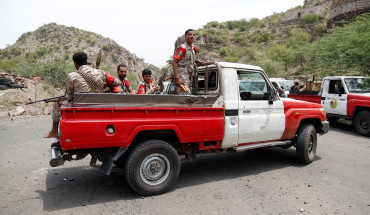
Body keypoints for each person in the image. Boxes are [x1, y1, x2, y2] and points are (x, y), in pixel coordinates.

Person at [44, 52, 122, 138]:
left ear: (75, 63)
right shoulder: (100, 72)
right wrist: (105, 84)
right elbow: (118, 82)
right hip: (98, 105)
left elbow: (69, 97)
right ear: (86, 61)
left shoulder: (72, 76)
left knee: (57, 103)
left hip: (80, 107)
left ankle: (54, 131)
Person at [172, 29, 203, 95]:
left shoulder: (193, 48)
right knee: (184, 95)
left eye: (193, 35)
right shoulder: (183, 48)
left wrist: (196, 61)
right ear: (186, 36)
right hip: (182, 75)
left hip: (189, 75)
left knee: (188, 96)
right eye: (190, 34)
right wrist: (177, 78)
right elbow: (174, 62)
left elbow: (188, 59)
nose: (192, 36)